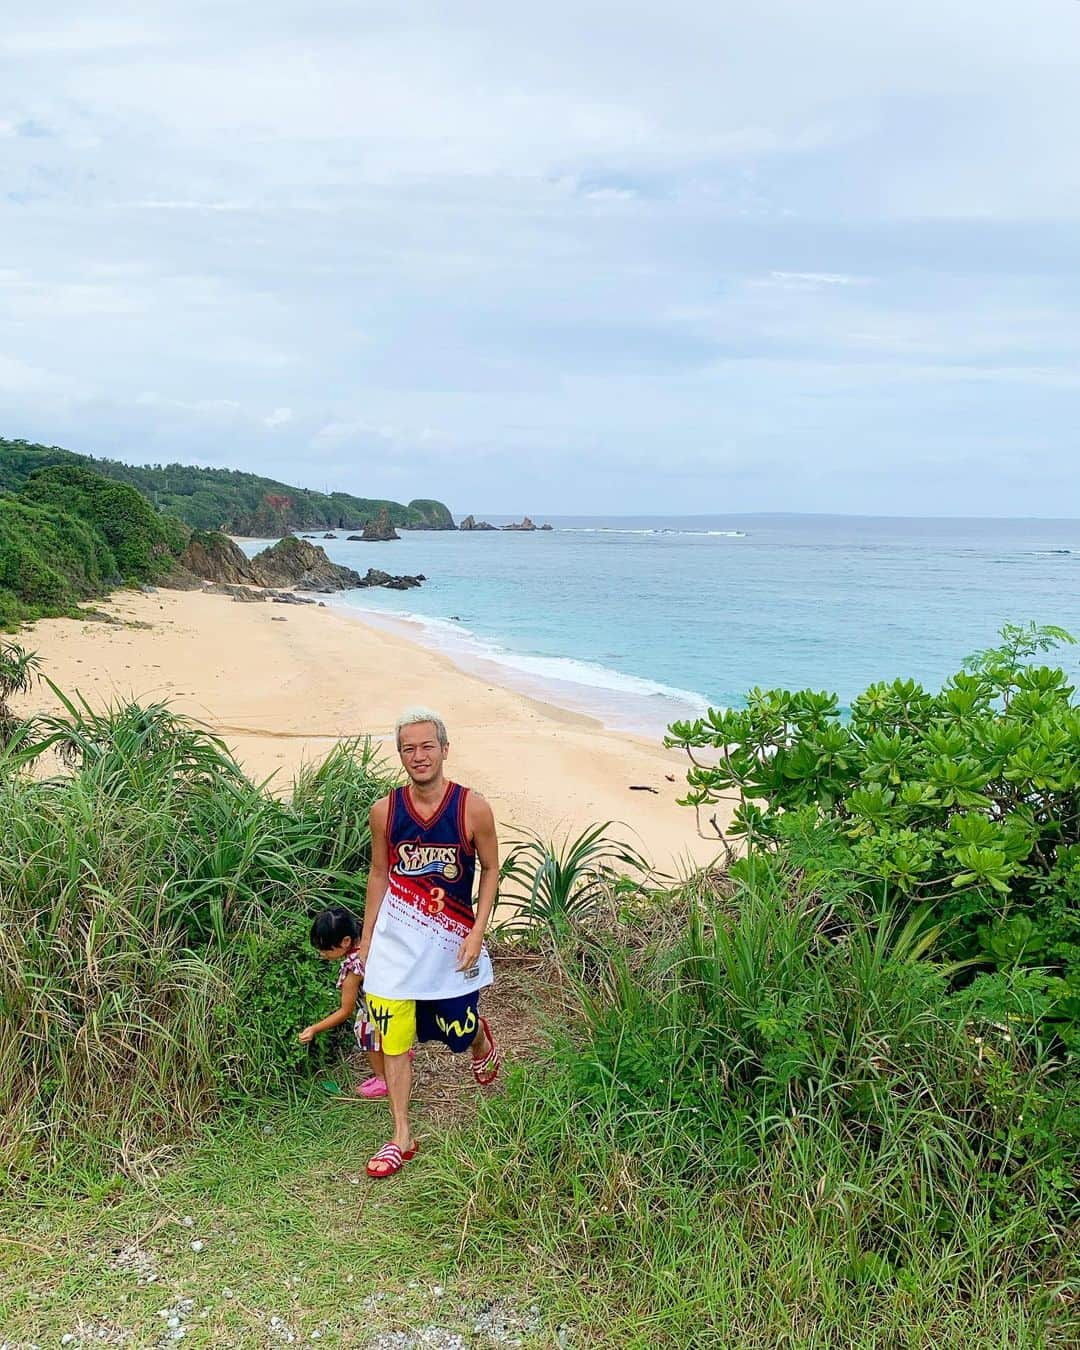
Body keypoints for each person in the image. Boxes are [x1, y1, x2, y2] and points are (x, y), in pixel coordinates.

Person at [357, 708, 500, 1179]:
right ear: (400, 755)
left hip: (450, 944)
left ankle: (481, 1041)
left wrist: (478, 931)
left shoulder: (471, 807)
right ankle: (402, 1134)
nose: (418, 756)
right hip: (396, 946)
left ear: (444, 749)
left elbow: (491, 870)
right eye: (408, 748)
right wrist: (367, 939)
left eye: (426, 746)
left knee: (456, 1029)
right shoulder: (386, 811)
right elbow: (380, 874)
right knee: (392, 1036)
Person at [298, 905, 398, 1099]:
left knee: (366, 1031)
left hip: (373, 1008)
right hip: (393, 1000)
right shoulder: (371, 941)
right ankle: (398, 1056)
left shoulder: (353, 969)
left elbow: (345, 1010)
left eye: (326, 949)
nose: (322, 954)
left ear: (345, 941)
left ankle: (382, 1079)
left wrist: (314, 1028)